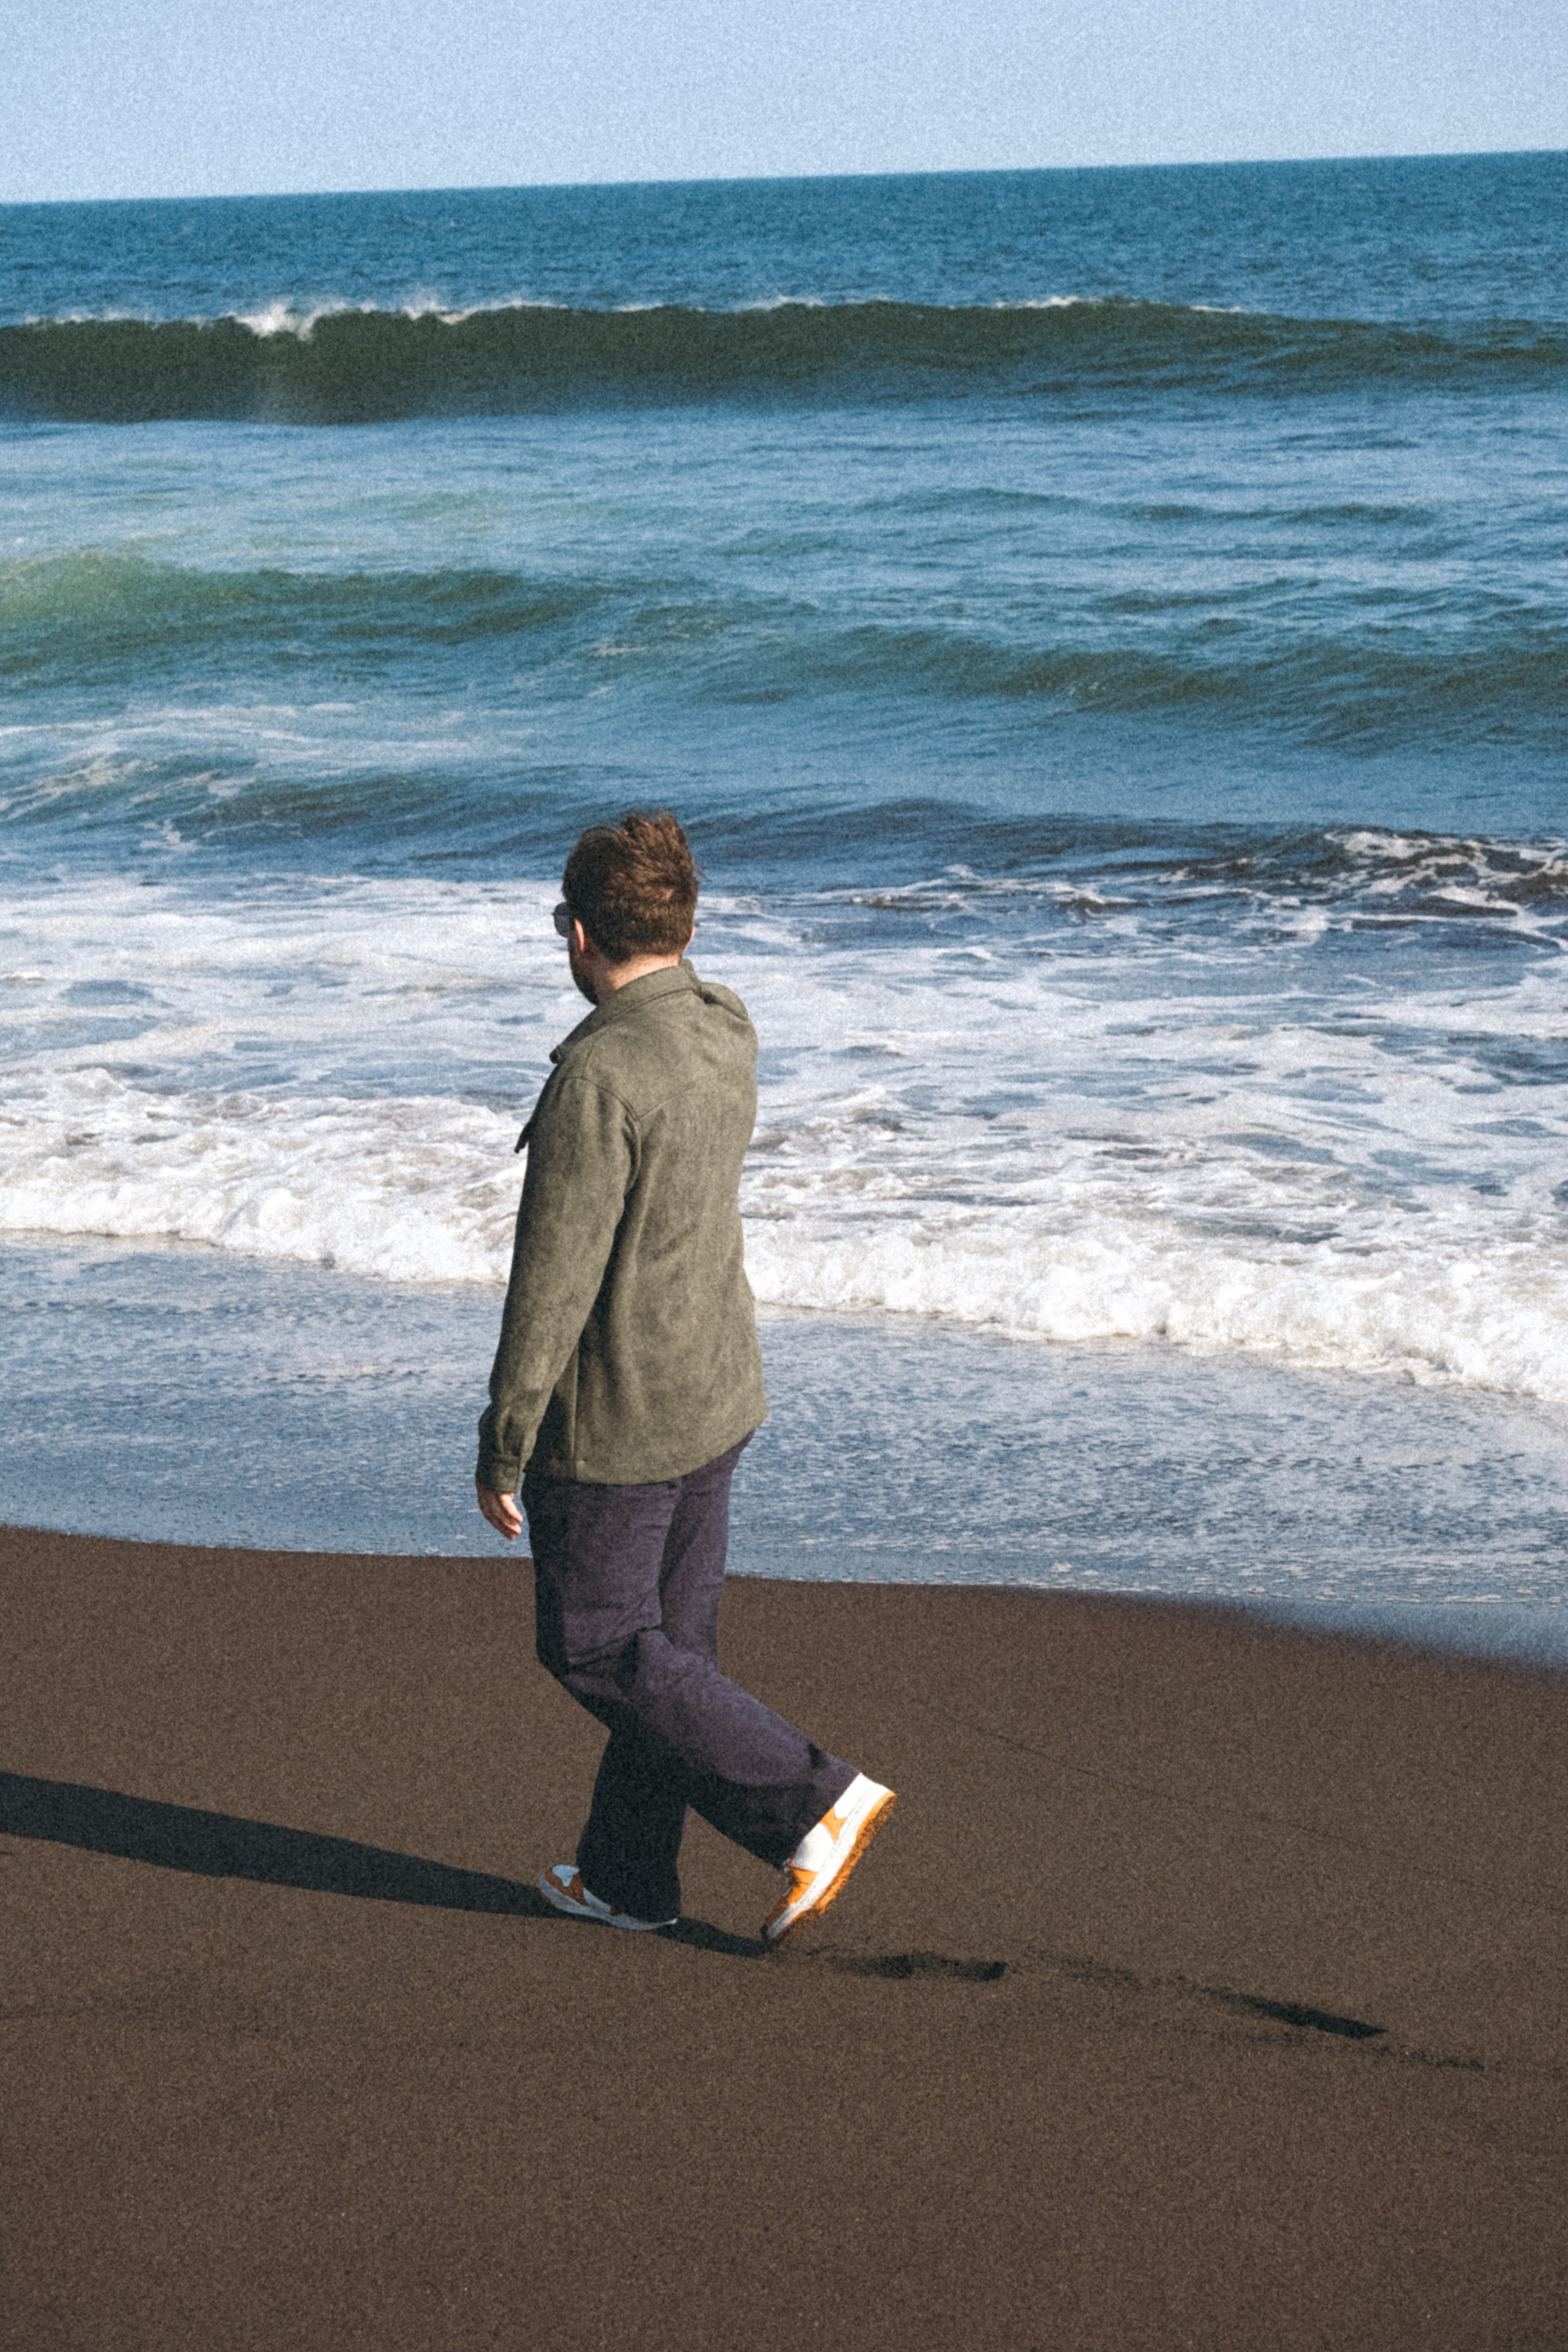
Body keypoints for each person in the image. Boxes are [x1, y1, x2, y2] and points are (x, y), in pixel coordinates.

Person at [475, 810, 894, 1943]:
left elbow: (551, 1285)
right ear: (684, 923)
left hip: (623, 1415)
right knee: (672, 1653)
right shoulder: (725, 1025)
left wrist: (503, 1438)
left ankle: (817, 1802)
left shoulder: (599, 1077)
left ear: (576, 935)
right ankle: (626, 1881)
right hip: (719, 1385)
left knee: (601, 1645)